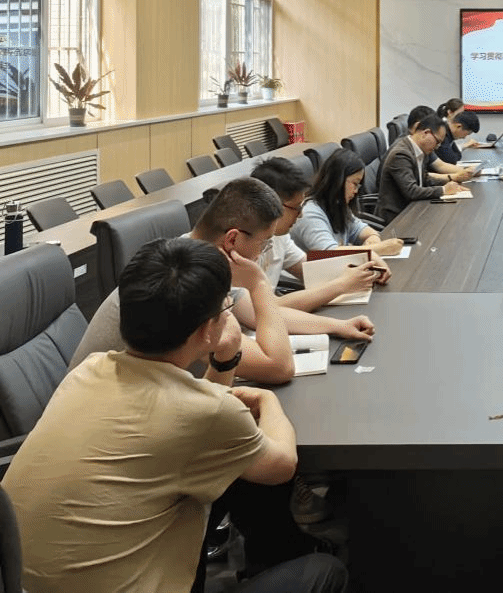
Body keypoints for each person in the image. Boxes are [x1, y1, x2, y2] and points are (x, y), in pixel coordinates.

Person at [1, 237, 347, 593]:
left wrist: (225, 359)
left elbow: (200, 426)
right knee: (326, 571)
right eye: (225, 308)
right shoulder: (208, 412)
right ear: (208, 330)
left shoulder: (90, 368)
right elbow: (282, 465)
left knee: (233, 465)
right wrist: (268, 401)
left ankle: (269, 559)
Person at [71, 178, 374, 385]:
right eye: (264, 243)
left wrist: (337, 326)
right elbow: (279, 366)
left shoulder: (191, 253)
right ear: (232, 239)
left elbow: (260, 315)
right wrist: (258, 283)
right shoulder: (186, 284)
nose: (264, 252)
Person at [251, 155, 391, 306]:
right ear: (272, 206)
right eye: (296, 208)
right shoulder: (242, 249)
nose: (301, 214)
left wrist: (366, 260)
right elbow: (264, 309)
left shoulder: (280, 236)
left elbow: (311, 270)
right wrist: (342, 284)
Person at [292, 148, 403, 256]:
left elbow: (359, 228)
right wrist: (379, 248)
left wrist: (373, 237)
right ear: (338, 180)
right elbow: (329, 253)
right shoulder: (309, 213)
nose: (356, 191)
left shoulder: (337, 204)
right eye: (355, 184)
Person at [377, 107, 469, 224]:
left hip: (413, 208)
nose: (437, 147)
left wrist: (450, 182)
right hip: (397, 217)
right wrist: (443, 190)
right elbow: (411, 191)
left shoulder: (421, 150)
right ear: (426, 133)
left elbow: (423, 178)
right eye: (437, 142)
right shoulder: (401, 154)